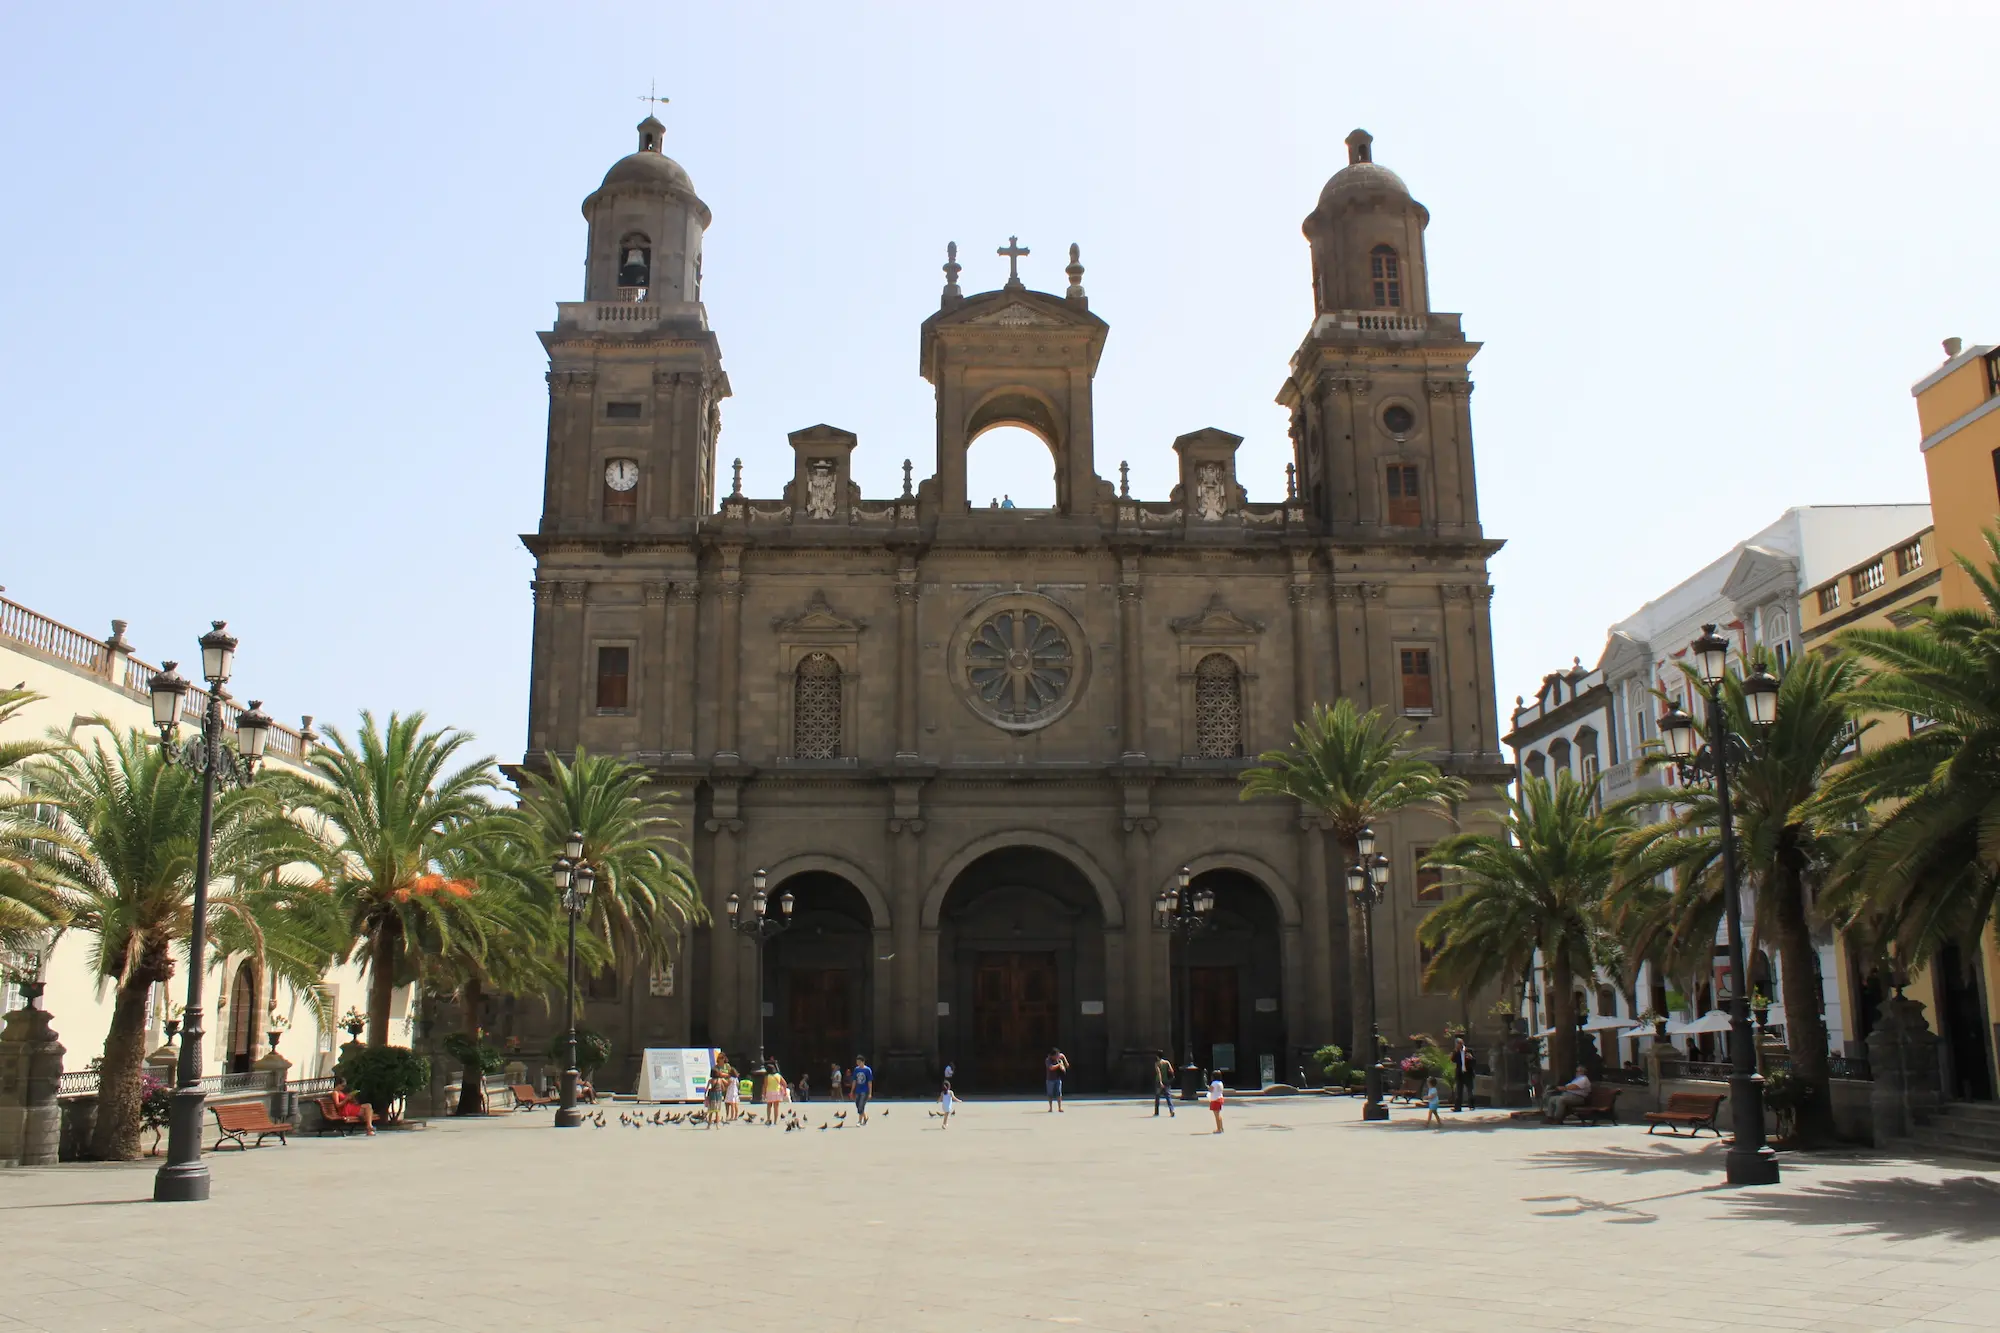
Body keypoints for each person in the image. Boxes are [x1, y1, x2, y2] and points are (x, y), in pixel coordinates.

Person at [1450, 1036, 1476, 1112]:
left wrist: (1471, 1058)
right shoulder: (1456, 1052)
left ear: (1461, 1044)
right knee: (1459, 1091)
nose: (1456, 1046)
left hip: (1468, 1073)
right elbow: (1453, 1060)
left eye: (1457, 1044)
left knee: (1470, 1091)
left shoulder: (1469, 1051)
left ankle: (1471, 1105)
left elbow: (1475, 1062)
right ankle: (1457, 1107)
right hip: (1460, 1074)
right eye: (1455, 1044)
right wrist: (1454, 1052)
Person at [1152, 1051, 1177, 1118]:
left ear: (1157, 1056)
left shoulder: (1157, 1063)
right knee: (1168, 1097)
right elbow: (1171, 1071)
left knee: (1157, 1097)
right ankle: (1172, 1110)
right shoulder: (1167, 1062)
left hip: (1158, 1082)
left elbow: (1159, 1073)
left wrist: (1160, 1082)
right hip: (1167, 1081)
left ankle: (1156, 1112)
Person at [1045, 1048, 1070, 1113]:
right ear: (1052, 1055)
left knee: (1059, 1093)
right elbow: (1051, 1068)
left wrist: (1064, 1064)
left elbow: (1062, 1056)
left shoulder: (1059, 1059)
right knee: (1050, 1094)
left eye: (1058, 1055)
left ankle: (1059, 1107)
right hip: (1050, 1079)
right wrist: (1058, 1065)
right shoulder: (1048, 1060)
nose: (1057, 1056)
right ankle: (1050, 1108)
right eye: (1056, 1055)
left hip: (1058, 1079)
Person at [851, 1054, 874, 1124]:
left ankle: (859, 1121)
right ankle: (865, 1117)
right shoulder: (856, 1070)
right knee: (858, 1105)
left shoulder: (867, 1070)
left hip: (865, 1090)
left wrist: (870, 1093)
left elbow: (870, 1082)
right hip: (858, 1090)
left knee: (861, 1105)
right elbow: (854, 1081)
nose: (857, 1063)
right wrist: (852, 1091)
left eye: (859, 1062)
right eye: (857, 1062)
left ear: (863, 1062)